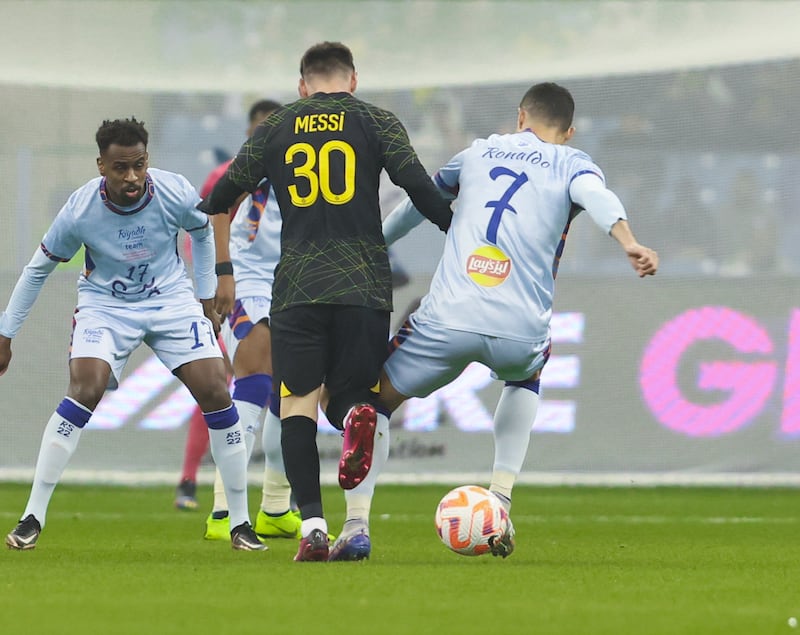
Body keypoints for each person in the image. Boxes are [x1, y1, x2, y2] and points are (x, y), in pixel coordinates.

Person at [356, 82, 658, 558]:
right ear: (570, 131)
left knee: (373, 402)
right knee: (527, 375)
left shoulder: (476, 154)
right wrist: (629, 241)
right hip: (519, 330)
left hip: (447, 319)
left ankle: (356, 525)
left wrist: (374, 244)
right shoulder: (573, 163)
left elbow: (417, 203)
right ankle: (499, 500)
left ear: (520, 117)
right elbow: (597, 197)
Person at [200, 41, 452, 561]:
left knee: (295, 404)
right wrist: (461, 232)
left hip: (298, 285)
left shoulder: (276, 126)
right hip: (364, 285)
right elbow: (422, 193)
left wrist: (222, 270)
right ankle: (356, 416)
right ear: (353, 80)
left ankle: (312, 526)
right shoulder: (378, 122)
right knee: (353, 395)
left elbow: (219, 200)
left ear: (301, 85)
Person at [1, 117, 264, 552]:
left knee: (218, 388)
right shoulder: (80, 210)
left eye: (139, 165)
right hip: (106, 305)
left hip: (171, 300)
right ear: (101, 165)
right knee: (87, 387)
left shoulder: (173, 190)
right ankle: (32, 515)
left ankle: (239, 523)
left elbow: (201, 232)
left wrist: (204, 294)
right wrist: (6, 332)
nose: (132, 177)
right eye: (121, 168)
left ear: (148, 160)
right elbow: (37, 271)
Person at [201, 99, 307, 542]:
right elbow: (216, 212)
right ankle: (225, 509)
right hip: (247, 277)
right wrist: (220, 276)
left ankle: (276, 506)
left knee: (294, 388)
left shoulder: (304, 166)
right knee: (256, 377)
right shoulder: (245, 170)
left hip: (293, 279)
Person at [174, 99, 283, 513]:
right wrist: (211, 283)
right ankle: (196, 483)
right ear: (249, 131)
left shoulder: (294, 170)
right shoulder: (228, 175)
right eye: (259, 131)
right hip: (230, 289)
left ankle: (274, 503)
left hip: (280, 286)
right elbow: (199, 227)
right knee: (221, 386)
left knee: (277, 388)